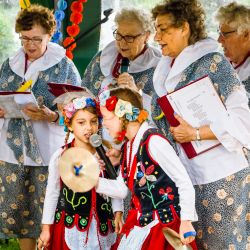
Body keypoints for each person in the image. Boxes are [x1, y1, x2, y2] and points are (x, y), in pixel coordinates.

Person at [150, 0, 250, 249]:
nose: (156, 36)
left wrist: (195, 133)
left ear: (184, 28)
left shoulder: (213, 63)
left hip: (221, 176)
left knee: (222, 245)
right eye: (156, 29)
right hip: (184, 176)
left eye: (163, 29)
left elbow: (243, 123)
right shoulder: (163, 68)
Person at [0, 4, 81, 250]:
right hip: (11, 150)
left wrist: (52, 116)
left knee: (45, 211)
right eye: (24, 38)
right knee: (21, 212)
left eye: (36, 39)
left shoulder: (64, 65)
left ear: (50, 35)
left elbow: (80, 109)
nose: (30, 45)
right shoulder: (10, 63)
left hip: (47, 150)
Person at [97, 87, 197, 250]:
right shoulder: (128, 146)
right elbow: (122, 190)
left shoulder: (154, 142)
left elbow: (183, 181)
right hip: (142, 224)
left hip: (163, 227)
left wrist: (186, 221)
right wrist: (89, 181)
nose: (104, 123)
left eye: (107, 117)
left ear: (123, 116)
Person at [37, 93, 124, 250]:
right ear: (70, 125)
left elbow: (115, 185)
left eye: (93, 122)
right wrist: (45, 229)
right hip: (71, 225)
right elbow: (52, 192)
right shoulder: (61, 156)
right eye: (81, 123)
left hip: (102, 224)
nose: (88, 128)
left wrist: (118, 211)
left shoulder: (107, 154)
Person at [81, 7, 161, 114]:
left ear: (146, 36)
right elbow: (84, 89)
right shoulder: (103, 56)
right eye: (119, 35)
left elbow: (160, 113)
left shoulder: (158, 67)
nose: (122, 43)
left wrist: (137, 93)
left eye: (129, 37)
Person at [216, 2, 250, 107]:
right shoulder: (221, 65)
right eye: (219, 33)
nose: (219, 40)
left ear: (245, 34)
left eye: (224, 34)